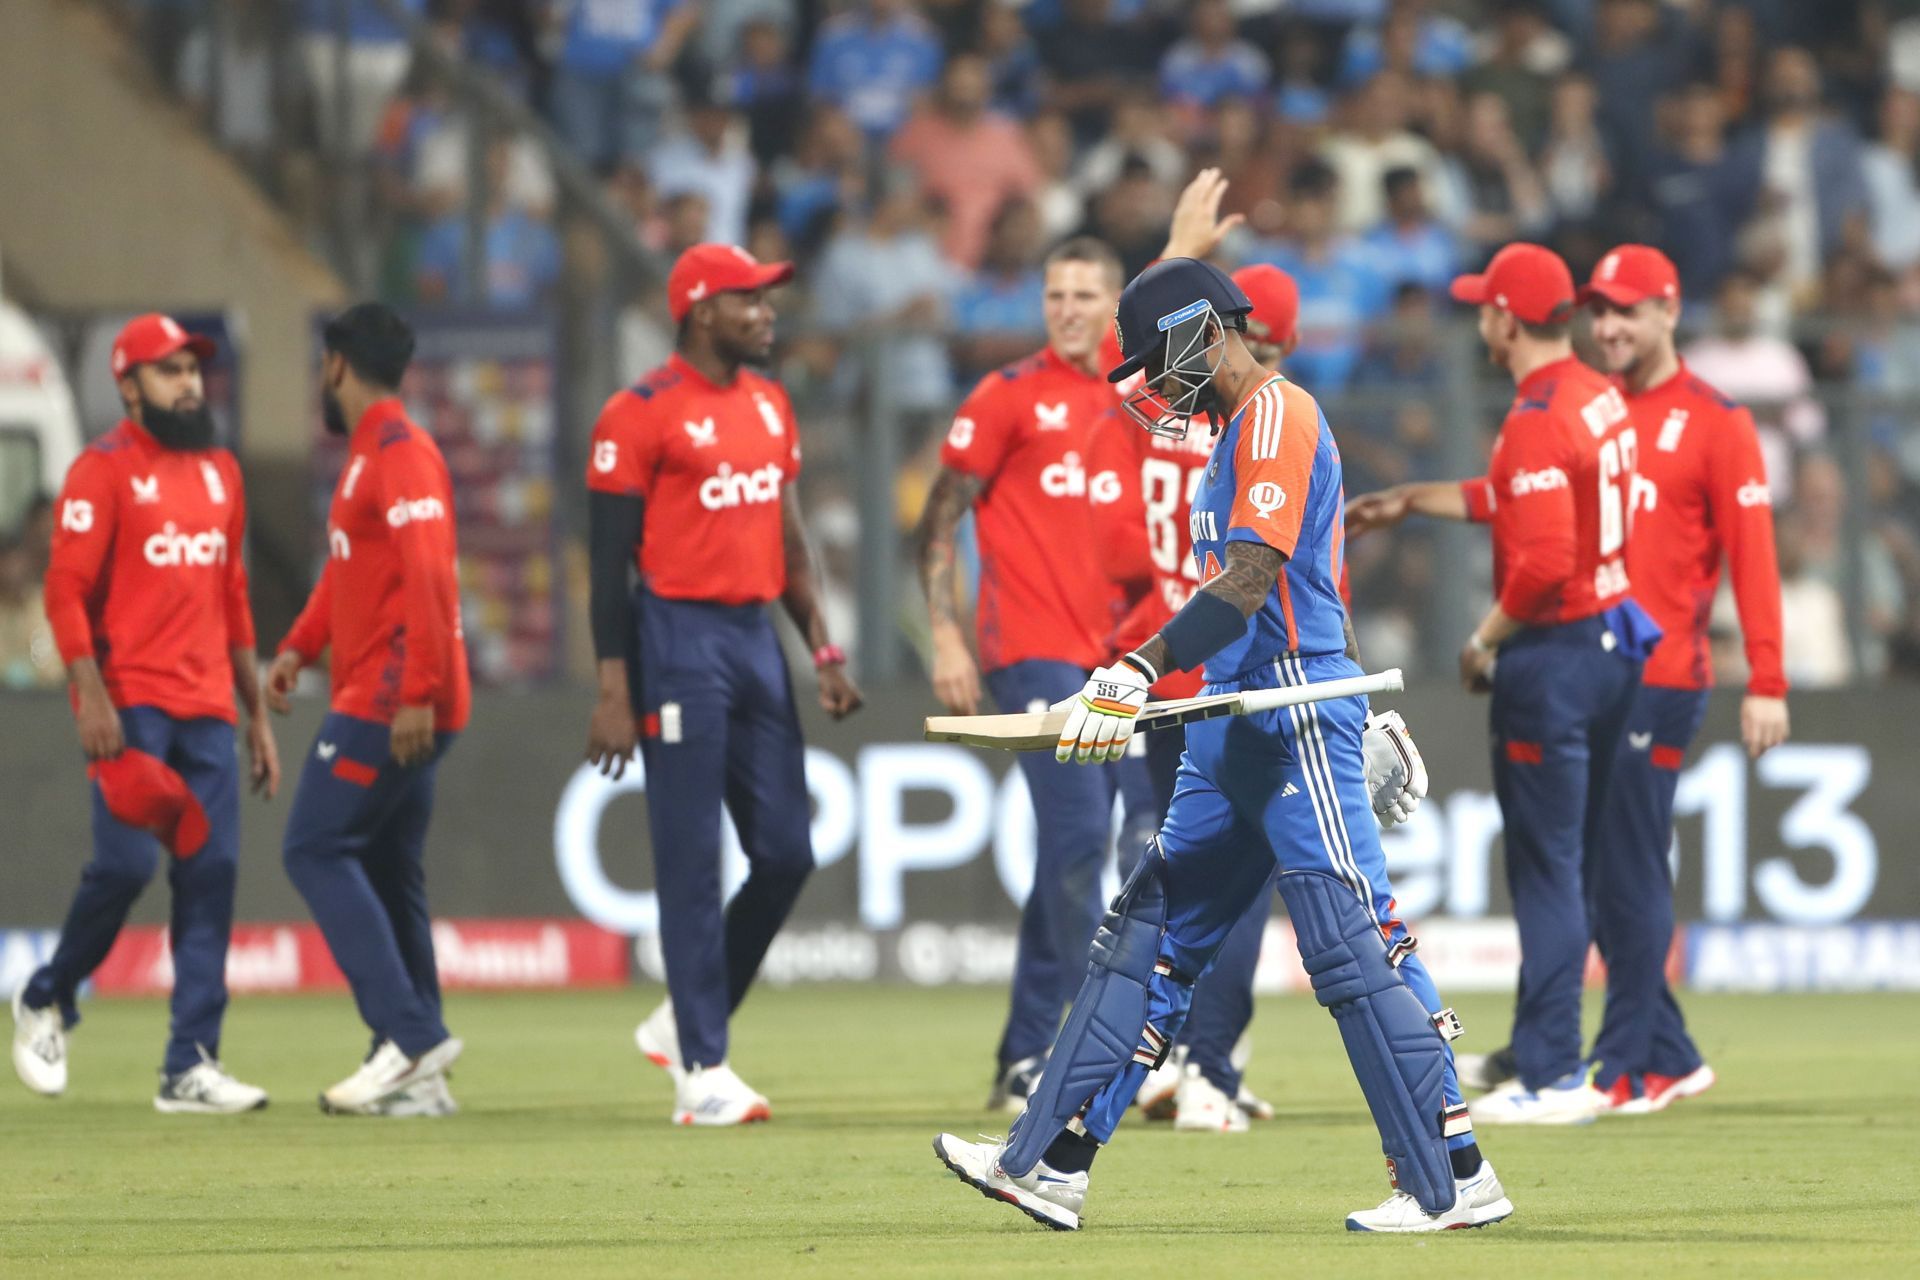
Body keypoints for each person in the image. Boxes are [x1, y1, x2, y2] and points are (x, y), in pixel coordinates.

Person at [934, 257, 1498, 1234]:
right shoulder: (1231, 435)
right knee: (1148, 929)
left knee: (1346, 935)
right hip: (1228, 714)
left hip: (1288, 710)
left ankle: (1450, 1176)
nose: (1154, 387)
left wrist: (1138, 666)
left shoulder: (1279, 415)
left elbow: (1256, 578)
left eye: (1158, 361)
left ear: (1202, 331)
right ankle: (1050, 1160)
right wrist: (1163, 671)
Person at [1454, 244, 1787, 1111]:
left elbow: (1754, 559)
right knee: (1595, 867)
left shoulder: (1717, 421)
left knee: (1621, 870)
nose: (1610, 328)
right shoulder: (1595, 407)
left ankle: (1627, 1061)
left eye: (1628, 312)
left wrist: (1769, 681)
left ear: (1670, 312)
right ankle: (1656, 1049)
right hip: (1606, 664)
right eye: (1599, 311)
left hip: (1665, 670)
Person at [1346, 243, 1659, 1126]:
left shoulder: (1533, 414)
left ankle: (1555, 1073)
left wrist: (1484, 640)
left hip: (1553, 656)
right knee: (1577, 860)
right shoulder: (1599, 395)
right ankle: (1539, 1043)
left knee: (1547, 870)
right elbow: (1528, 498)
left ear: (1506, 320)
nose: (1478, 315)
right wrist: (1414, 497)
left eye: (1484, 305)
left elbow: (1547, 556)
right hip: (1615, 645)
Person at [584, 243, 862, 1127]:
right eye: (751, 301)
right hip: (675, 636)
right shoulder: (636, 415)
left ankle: (682, 1017)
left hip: (752, 640)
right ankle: (703, 1067)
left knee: (787, 851)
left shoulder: (772, 404)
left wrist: (821, 647)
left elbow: (787, 545)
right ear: (702, 311)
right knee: (690, 859)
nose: (768, 314)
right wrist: (613, 688)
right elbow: (604, 566)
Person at [12, 314, 278, 1112]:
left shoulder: (221, 472)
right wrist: (88, 694)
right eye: (170, 371)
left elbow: (231, 594)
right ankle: (46, 997)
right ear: (128, 387)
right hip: (130, 706)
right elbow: (65, 589)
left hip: (206, 710)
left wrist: (255, 714)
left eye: (194, 369)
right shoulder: (102, 471)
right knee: (126, 867)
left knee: (213, 873)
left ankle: (189, 1064)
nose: (190, 383)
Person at [916, 234, 1138, 1114]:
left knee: (1088, 846)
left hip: (1121, 658)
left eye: (1086, 295)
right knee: (1082, 836)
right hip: (1032, 651)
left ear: (1115, 304)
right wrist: (944, 633)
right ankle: (1067, 1052)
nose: (1068, 310)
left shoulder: (1140, 397)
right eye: (1055, 295)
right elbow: (938, 516)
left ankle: (1026, 1048)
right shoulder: (1006, 396)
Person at [267, 303, 469, 1118]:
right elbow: (352, 570)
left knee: (314, 847)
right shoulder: (370, 456)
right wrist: (298, 645)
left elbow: (428, 574)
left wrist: (416, 690)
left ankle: (409, 1034)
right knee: (389, 868)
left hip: (391, 697)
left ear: (338, 364)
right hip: (387, 688)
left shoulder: (398, 451)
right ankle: (422, 1080)